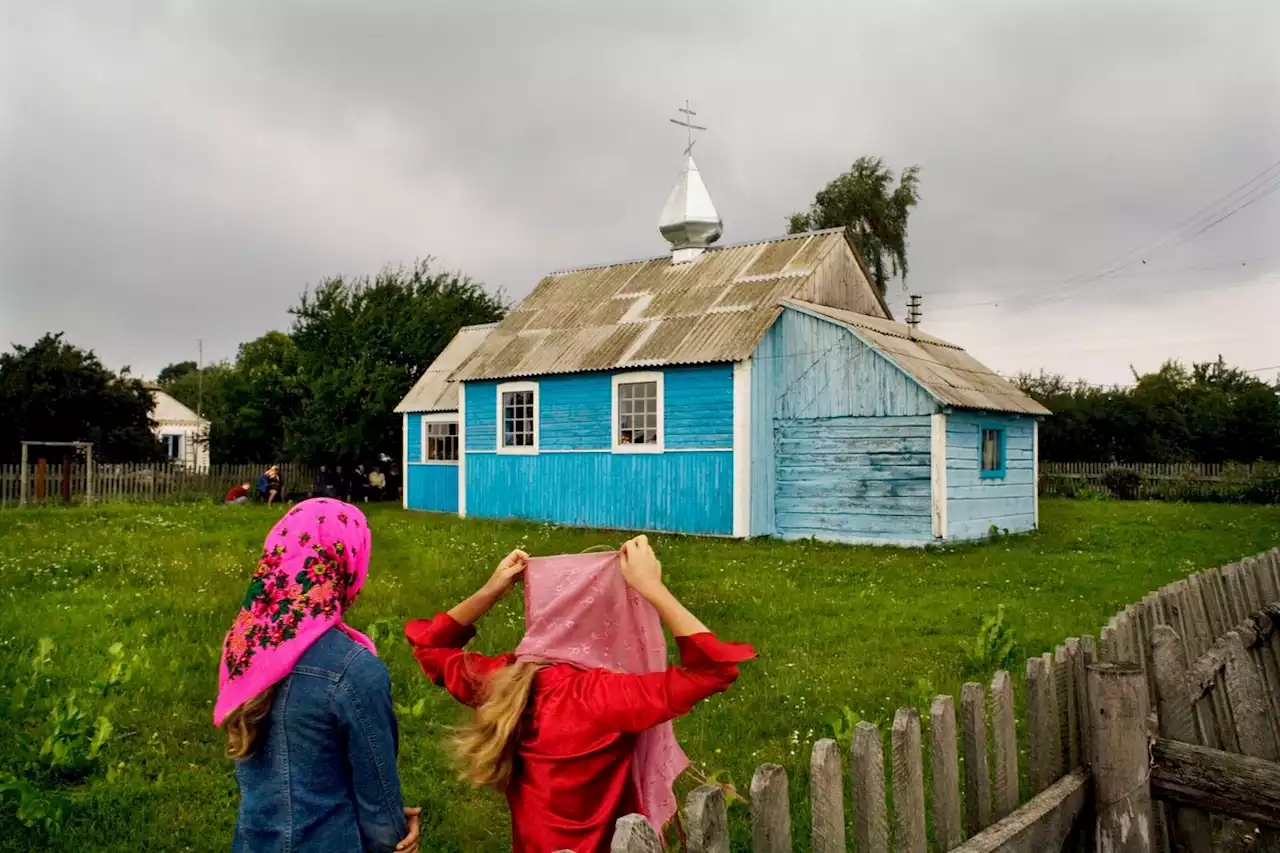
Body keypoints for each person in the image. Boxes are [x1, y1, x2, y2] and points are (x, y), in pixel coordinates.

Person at [405, 536, 755, 853]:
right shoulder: (605, 697)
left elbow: (428, 644)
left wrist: (491, 590)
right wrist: (653, 588)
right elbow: (715, 670)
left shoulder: (505, 680)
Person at [214, 499, 422, 853]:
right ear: (348, 563)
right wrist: (397, 839)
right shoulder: (353, 670)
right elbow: (378, 809)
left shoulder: (245, 646)